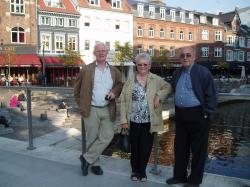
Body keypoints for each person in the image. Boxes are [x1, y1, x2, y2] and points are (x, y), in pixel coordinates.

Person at [166, 46, 217, 187]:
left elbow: (212, 95)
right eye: (182, 55)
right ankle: (179, 176)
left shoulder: (203, 72)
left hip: (198, 115)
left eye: (188, 55)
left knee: (198, 150)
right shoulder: (177, 72)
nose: (185, 58)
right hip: (181, 115)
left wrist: (207, 113)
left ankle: (194, 180)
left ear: (194, 57)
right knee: (180, 147)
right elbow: (170, 87)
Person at [120, 53, 172, 182]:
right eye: (139, 64)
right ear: (136, 65)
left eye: (145, 64)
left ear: (149, 65)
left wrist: (159, 95)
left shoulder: (156, 79)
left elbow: (168, 87)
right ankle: (134, 170)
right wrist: (123, 120)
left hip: (150, 120)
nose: (142, 66)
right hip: (133, 120)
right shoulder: (130, 79)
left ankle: (142, 171)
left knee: (146, 147)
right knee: (135, 146)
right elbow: (124, 101)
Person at [74, 42, 122, 176]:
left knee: (108, 136)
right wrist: (82, 104)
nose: (101, 53)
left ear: (107, 53)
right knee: (92, 138)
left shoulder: (114, 71)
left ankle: (86, 158)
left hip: (108, 108)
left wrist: (114, 92)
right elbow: (76, 90)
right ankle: (95, 164)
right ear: (94, 53)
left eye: (104, 51)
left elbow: (119, 85)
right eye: (98, 51)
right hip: (91, 109)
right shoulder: (86, 69)